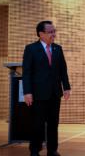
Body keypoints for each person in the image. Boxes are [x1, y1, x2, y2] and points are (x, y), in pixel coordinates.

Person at [22, 20, 71, 156]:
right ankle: (34, 150)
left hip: (55, 93)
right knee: (37, 124)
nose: (54, 34)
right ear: (41, 34)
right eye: (50, 32)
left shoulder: (58, 49)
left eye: (54, 31)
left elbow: (63, 71)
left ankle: (52, 150)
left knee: (53, 124)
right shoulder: (31, 49)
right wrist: (27, 92)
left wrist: (66, 87)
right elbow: (27, 72)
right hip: (38, 94)